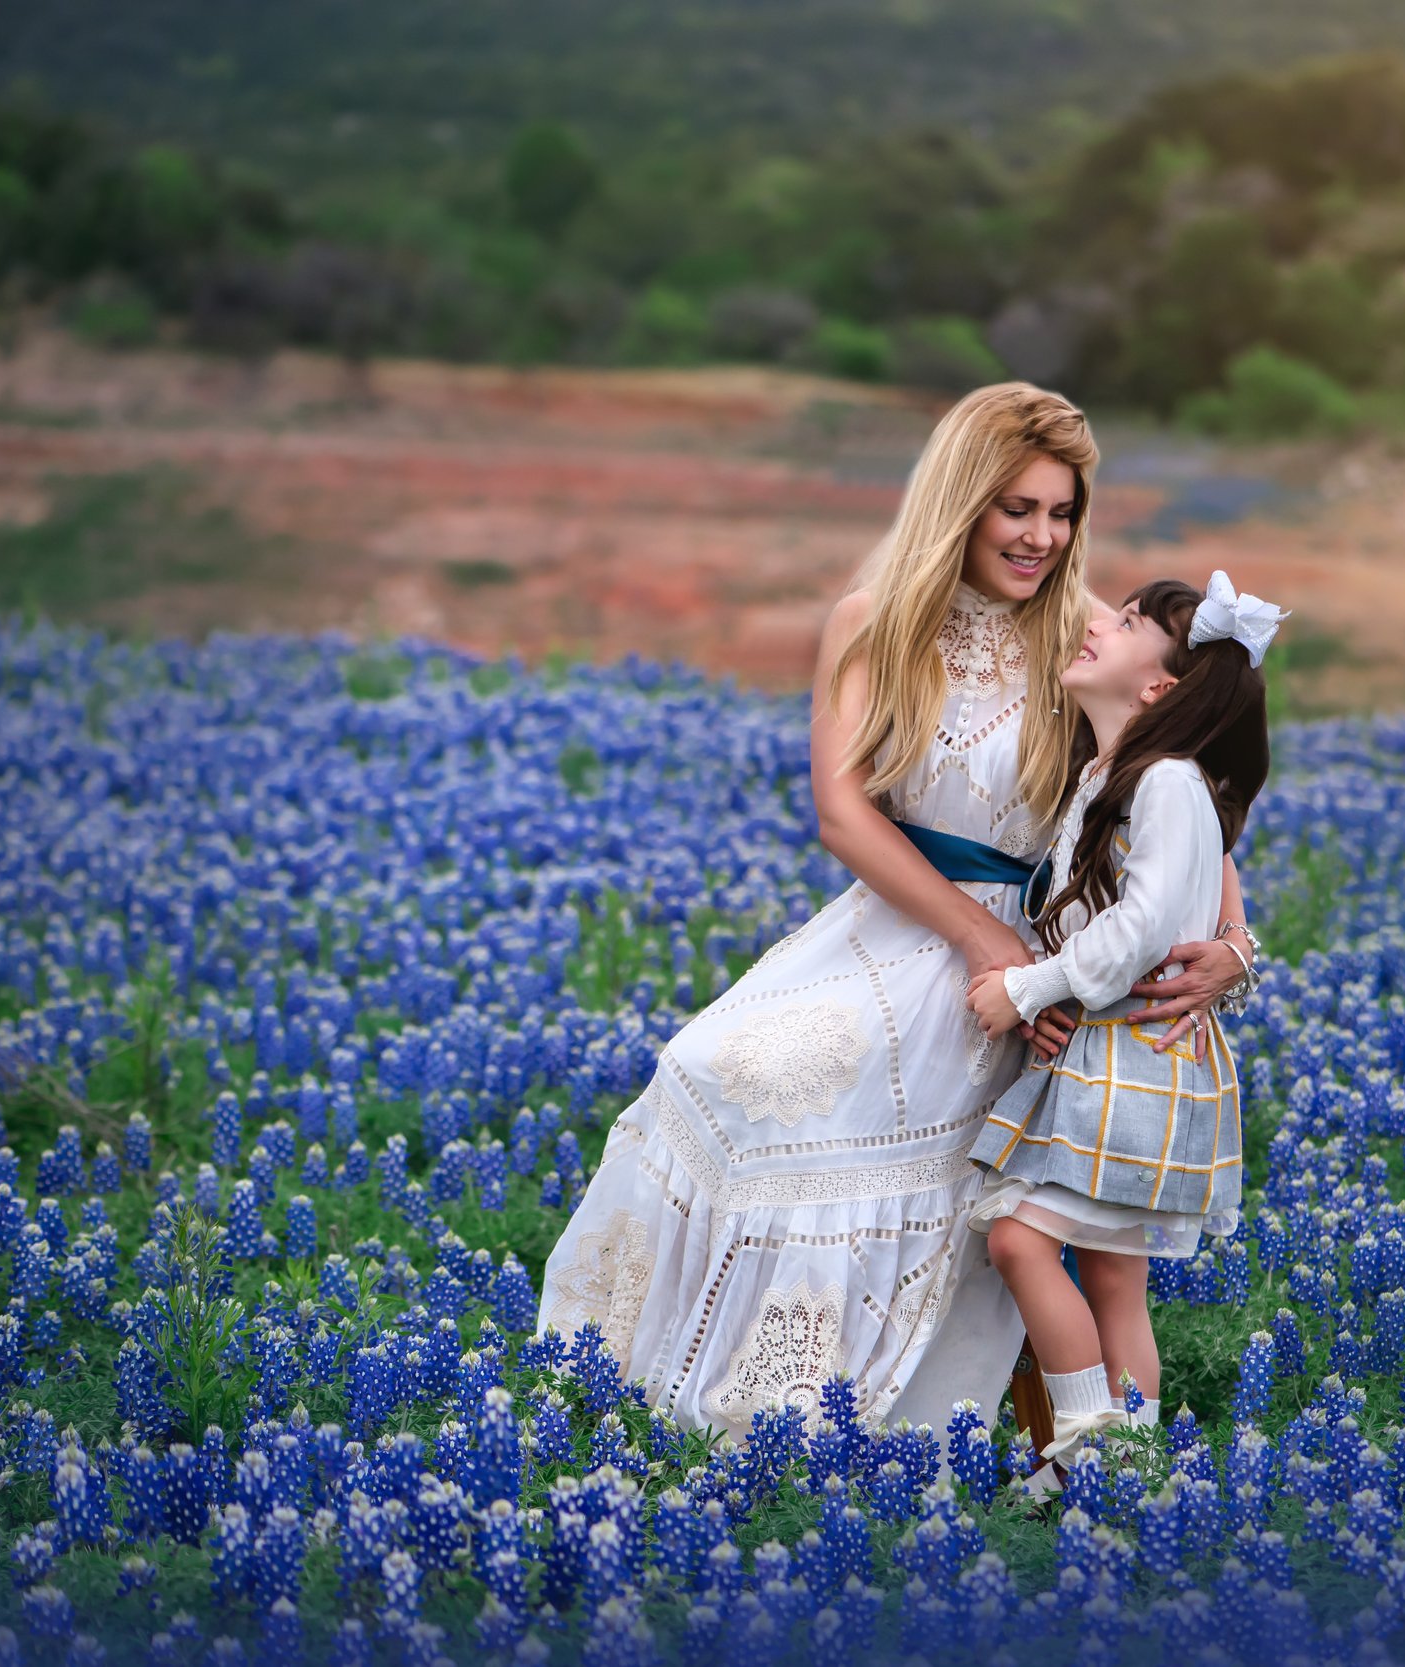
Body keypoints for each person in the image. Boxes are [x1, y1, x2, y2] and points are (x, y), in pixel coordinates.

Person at [537, 384, 1256, 1435]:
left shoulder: (1091, 634)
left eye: (1060, 513)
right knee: (719, 1067)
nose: (1042, 537)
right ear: (960, 500)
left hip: (1053, 958)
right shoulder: (875, 623)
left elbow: (1186, 799)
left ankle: (963, 1425)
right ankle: (721, 1402)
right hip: (917, 925)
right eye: (1016, 508)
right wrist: (986, 944)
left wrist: (1236, 943)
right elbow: (843, 811)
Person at [965, 572, 1282, 1465]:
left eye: (1133, 621)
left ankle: (1079, 1454)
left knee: (1023, 1239)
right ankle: (1132, 1465)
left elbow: (1139, 930)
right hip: (1115, 1052)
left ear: (1159, 689)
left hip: (1134, 1052)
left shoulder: (1170, 782)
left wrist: (1030, 988)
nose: (1106, 621)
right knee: (1112, 1275)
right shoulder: (1112, 774)